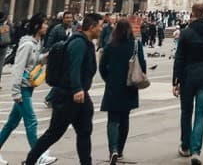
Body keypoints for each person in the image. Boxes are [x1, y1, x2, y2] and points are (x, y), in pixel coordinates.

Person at [25, 12, 103, 165]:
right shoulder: (79, 43)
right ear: (92, 27)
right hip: (69, 95)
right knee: (54, 133)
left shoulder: (84, 42)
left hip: (79, 95)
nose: (101, 29)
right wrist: (77, 89)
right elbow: (74, 68)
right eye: (100, 26)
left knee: (84, 131)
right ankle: (30, 161)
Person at [0, 14, 56, 165]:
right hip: (23, 88)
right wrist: (15, 91)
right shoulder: (28, 45)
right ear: (37, 26)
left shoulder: (37, 43)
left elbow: (34, 62)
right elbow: (18, 68)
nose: (46, 26)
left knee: (11, 124)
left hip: (29, 87)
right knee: (31, 121)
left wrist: (45, 57)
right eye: (44, 24)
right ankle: (38, 155)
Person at [173, 1, 203, 165]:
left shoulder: (186, 33)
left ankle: (185, 146)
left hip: (188, 78)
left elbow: (179, 58)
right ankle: (196, 151)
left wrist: (176, 80)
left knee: (186, 112)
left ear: (192, 13)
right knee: (201, 113)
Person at [99, 18, 146, 165]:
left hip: (113, 85)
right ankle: (119, 151)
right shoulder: (135, 45)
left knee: (112, 120)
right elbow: (143, 65)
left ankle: (112, 149)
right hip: (129, 85)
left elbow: (102, 66)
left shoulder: (110, 45)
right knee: (124, 119)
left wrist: (109, 78)